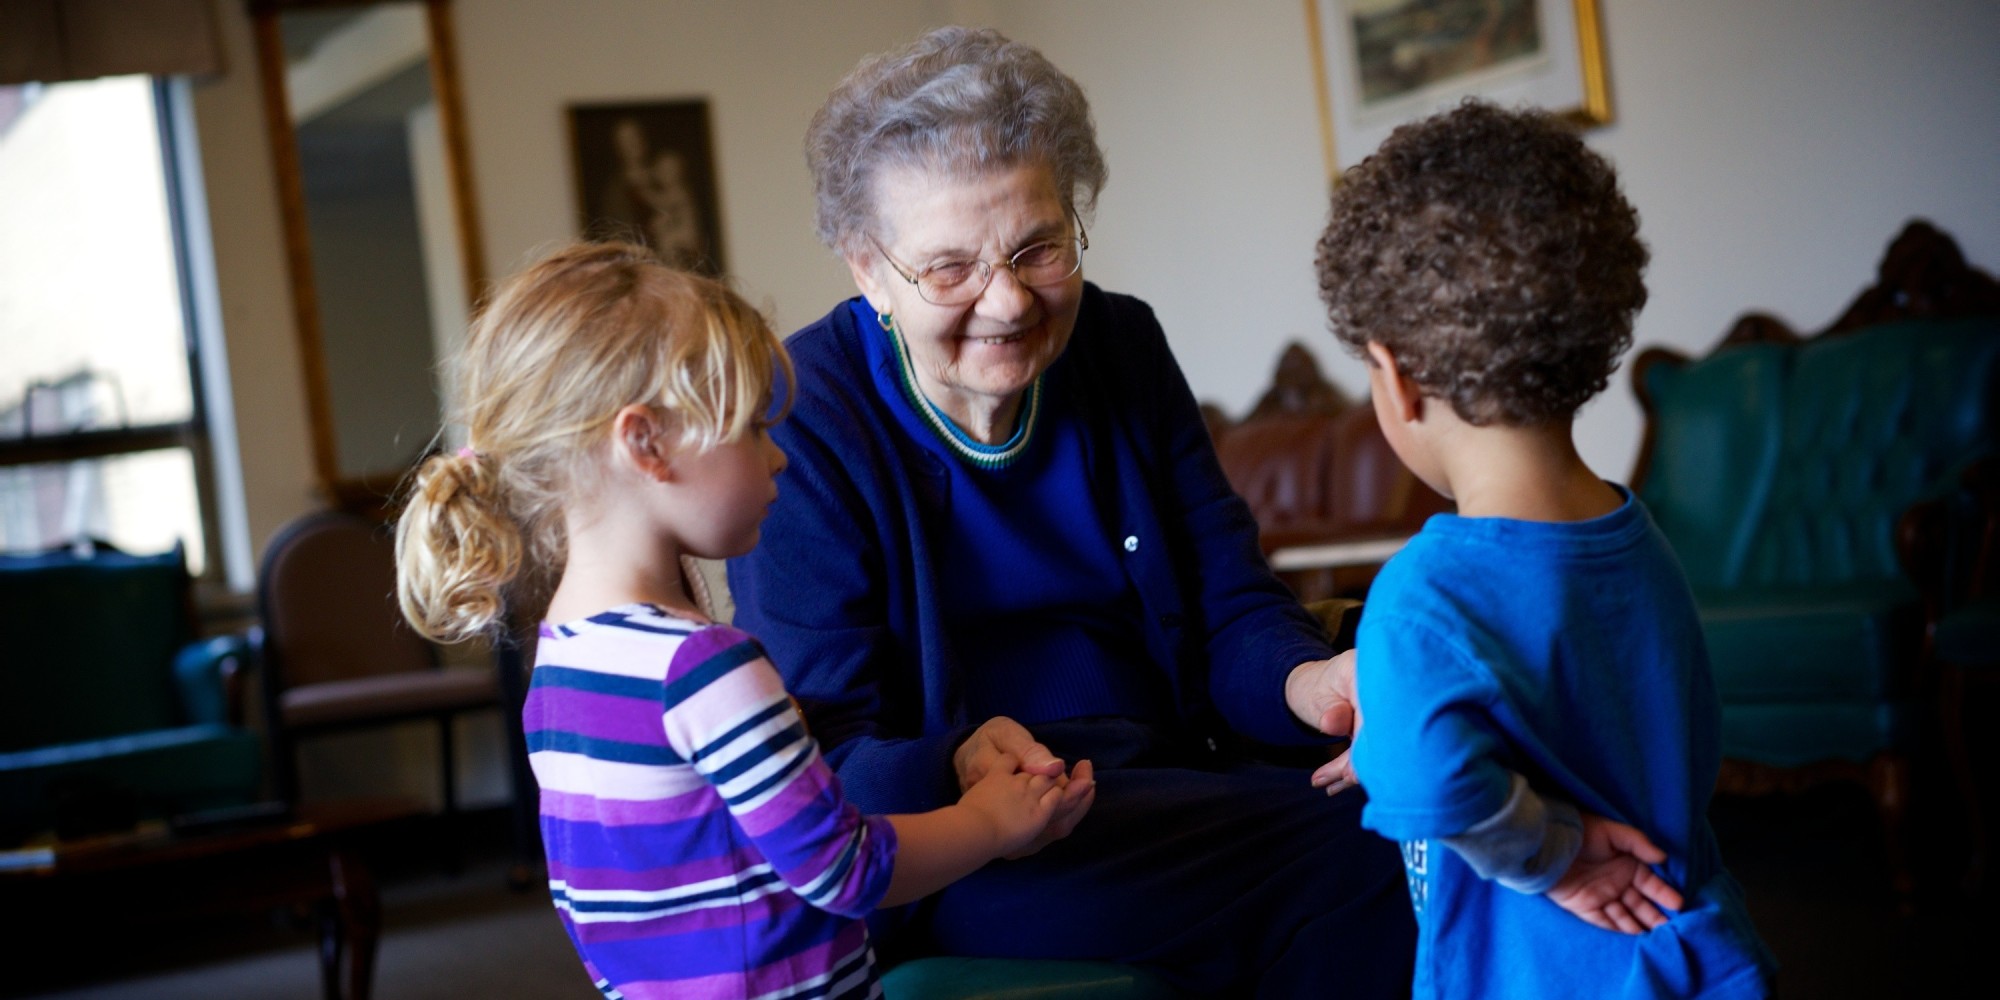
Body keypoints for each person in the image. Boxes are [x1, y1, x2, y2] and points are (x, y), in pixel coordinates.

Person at [726, 26, 1414, 997]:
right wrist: (957, 756)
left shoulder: (1120, 342)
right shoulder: (804, 412)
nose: (1006, 301)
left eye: (1037, 247)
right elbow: (822, 753)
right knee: (1366, 857)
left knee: (1431, 804)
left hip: (1175, 778)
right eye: (948, 268)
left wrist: (1312, 680)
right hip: (966, 846)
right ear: (864, 266)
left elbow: (1231, 608)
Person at [393, 242, 1079, 999]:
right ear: (646, 443)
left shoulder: (557, 667)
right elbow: (845, 870)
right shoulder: (701, 667)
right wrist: (990, 820)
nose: (778, 458)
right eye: (753, 427)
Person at [1314, 100, 1777, 998]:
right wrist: (1395, 731)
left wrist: (1557, 857)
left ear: (1398, 378)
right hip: (1690, 949)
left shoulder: (1423, 592)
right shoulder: (1641, 544)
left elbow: (1434, 780)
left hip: (1546, 974)